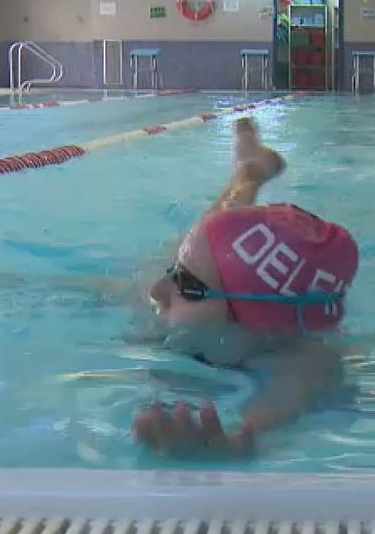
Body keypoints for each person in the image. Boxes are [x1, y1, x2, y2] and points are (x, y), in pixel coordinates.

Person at [133, 117, 358, 457]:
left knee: (208, 247)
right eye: (173, 274)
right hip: (218, 278)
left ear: (255, 322)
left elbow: (274, 414)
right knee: (200, 244)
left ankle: (251, 170)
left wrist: (235, 448)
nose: (156, 289)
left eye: (187, 285)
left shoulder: (306, 360)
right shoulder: (193, 303)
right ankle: (250, 171)